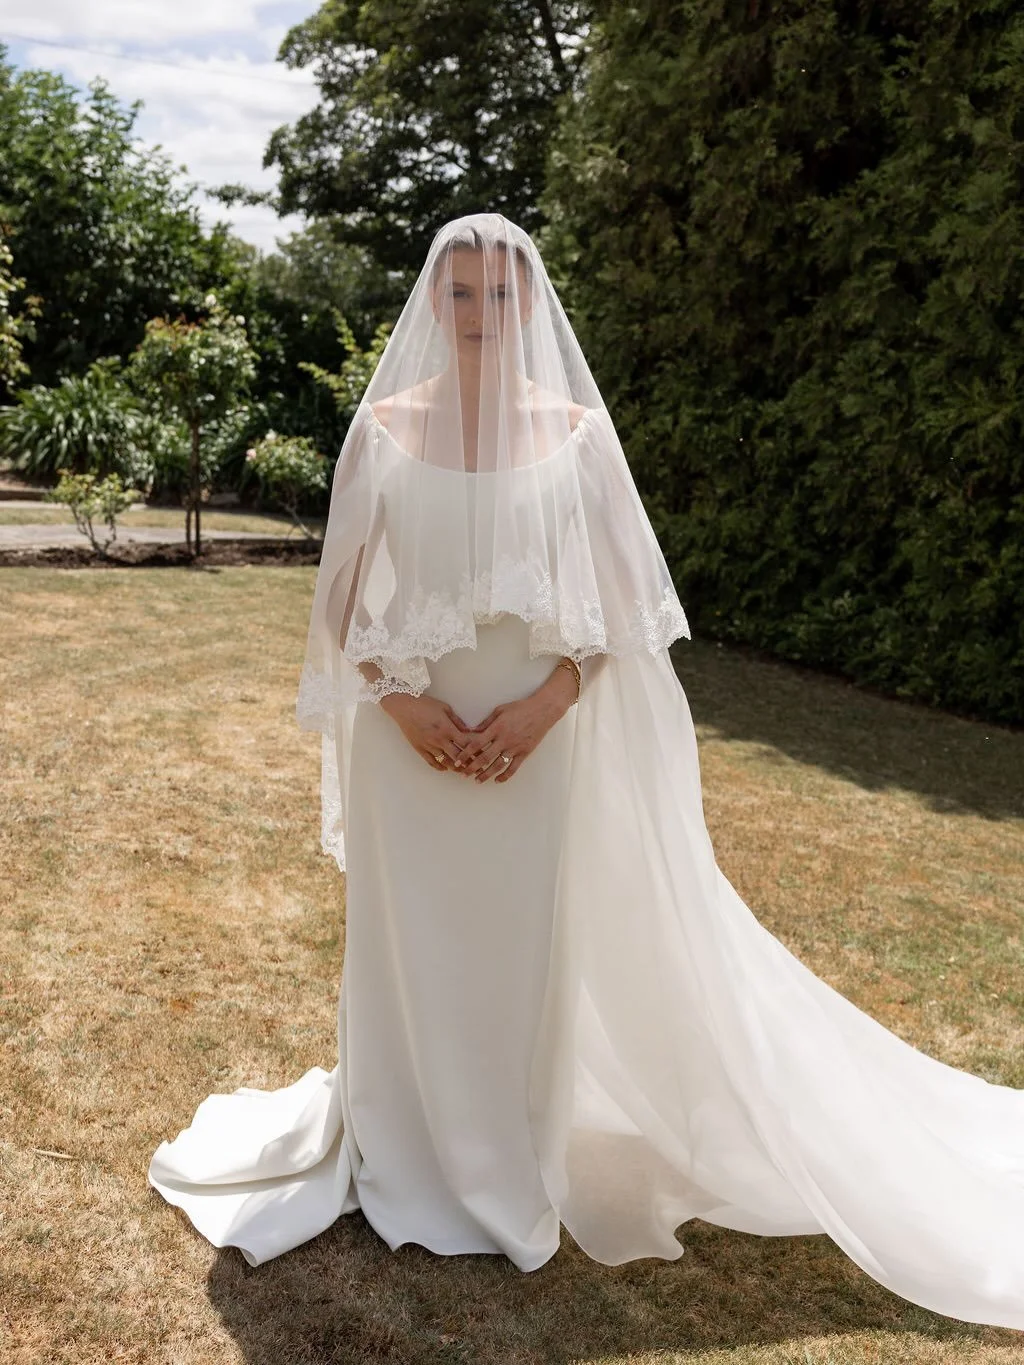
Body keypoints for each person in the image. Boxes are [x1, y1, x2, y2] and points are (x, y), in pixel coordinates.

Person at [148, 212, 1024, 1330]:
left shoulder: (575, 433)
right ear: (432, 302)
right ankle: (399, 1139)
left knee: (518, 949)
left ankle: (505, 1154)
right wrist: (407, 706)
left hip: (536, 741)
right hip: (405, 744)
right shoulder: (383, 427)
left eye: (497, 297)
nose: (476, 317)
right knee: (411, 944)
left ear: (530, 306)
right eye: (457, 295)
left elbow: (625, 607)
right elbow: (337, 604)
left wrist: (541, 708)